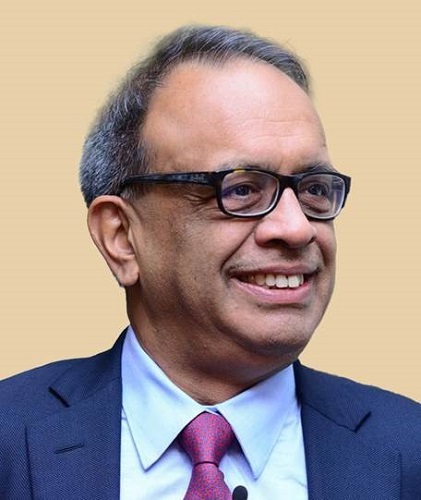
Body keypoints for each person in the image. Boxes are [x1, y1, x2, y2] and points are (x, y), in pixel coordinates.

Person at [1, 25, 420, 500]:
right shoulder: (10, 439)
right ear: (122, 238)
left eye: (315, 189)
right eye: (241, 189)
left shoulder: (409, 452)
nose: (297, 228)